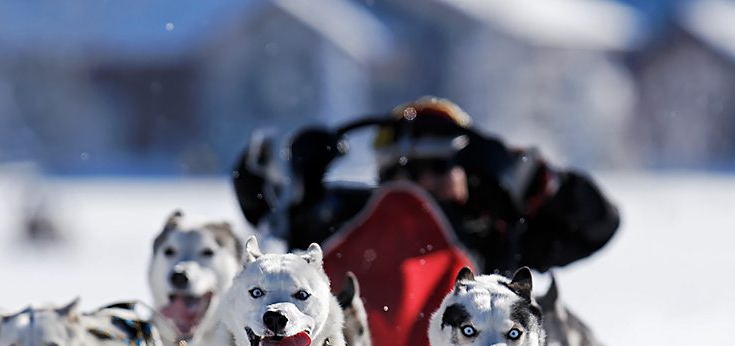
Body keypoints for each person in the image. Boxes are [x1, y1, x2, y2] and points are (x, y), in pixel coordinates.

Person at [231, 96, 620, 277]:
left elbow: (598, 226)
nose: (423, 184)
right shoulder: (354, 218)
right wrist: (302, 184)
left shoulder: (496, 232)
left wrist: (538, 181)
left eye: (439, 167)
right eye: (407, 171)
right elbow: (263, 207)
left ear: (467, 172)